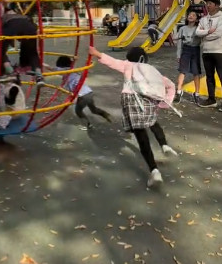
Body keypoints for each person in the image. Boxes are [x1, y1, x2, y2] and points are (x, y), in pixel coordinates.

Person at [89, 45, 178, 188]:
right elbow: (170, 85)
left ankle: (154, 171)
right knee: (153, 122)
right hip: (149, 100)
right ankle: (164, 145)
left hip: (131, 100)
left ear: (129, 58)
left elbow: (112, 62)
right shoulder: (152, 70)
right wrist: (165, 103)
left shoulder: (128, 65)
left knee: (141, 135)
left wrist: (96, 53)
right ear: (144, 58)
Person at [0, 6, 45, 86]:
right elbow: (34, 27)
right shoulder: (22, 16)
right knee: (33, 53)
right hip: (30, 27)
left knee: (0, 51)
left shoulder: (0, 18)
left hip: (12, 26)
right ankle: (39, 77)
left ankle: (10, 72)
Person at [55, 55, 111, 128]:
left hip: (83, 96)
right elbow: (72, 63)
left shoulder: (64, 71)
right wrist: (74, 59)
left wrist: (39, 64)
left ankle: (88, 124)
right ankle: (104, 114)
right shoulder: (73, 69)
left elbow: (51, 68)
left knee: (78, 111)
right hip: (89, 93)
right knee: (93, 109)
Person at [195, 0, 222, 109]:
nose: (208, 5)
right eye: (207, 3)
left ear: (216, 5)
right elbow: (197, 32)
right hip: (206, 51)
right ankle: (211, 99)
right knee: (209, 76)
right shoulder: (203, 19)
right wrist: (208, 32)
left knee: (221, 76)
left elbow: (218, 33)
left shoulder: (221, 18)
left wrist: (205, 36)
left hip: (219, 51)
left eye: (210, 3)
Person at [174, 11, 202, 104]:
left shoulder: (198, 29)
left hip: (195, 50)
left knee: (196, 72)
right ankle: (179, 92)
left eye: (193, 15)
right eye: (189, 15)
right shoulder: (182, 28)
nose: (191, 16)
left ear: (196, 19)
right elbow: (179, 43)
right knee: (183, 71)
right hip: (185, 50)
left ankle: (196, 93)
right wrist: (178, 54)